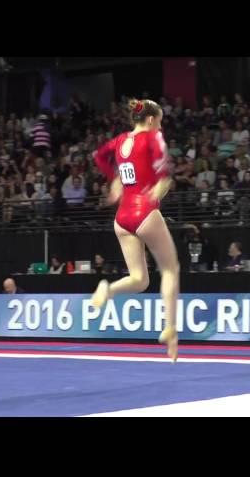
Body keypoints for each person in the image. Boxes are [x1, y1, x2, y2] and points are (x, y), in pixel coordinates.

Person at [91, 98, 179, 361]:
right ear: (151, 120)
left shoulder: (121, 141)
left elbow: (98, 156)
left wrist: (115, 178)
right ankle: (170, 329)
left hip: (122, 218)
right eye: (160, 121)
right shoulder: (153, 137)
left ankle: (108, 289)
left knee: (140, 279)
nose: (161, 126)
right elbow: (163, 174)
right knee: (170, 269)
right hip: (144, 212)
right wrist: (160, 188)